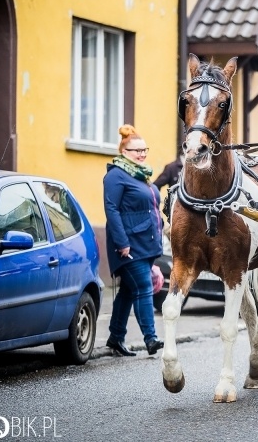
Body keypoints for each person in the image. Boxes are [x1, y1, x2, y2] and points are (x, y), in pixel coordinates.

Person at [103, 124, 164, 356]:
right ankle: (151, 338)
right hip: (128, 245)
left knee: (128, 291)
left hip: (146, 243)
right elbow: (111, 209)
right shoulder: (116, 175)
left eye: (144, 149)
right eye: (136, 150)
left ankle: (115, 337)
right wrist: (122, 242)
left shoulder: (142, 175)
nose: (141, 154)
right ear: (124, 152)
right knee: (143, 286)